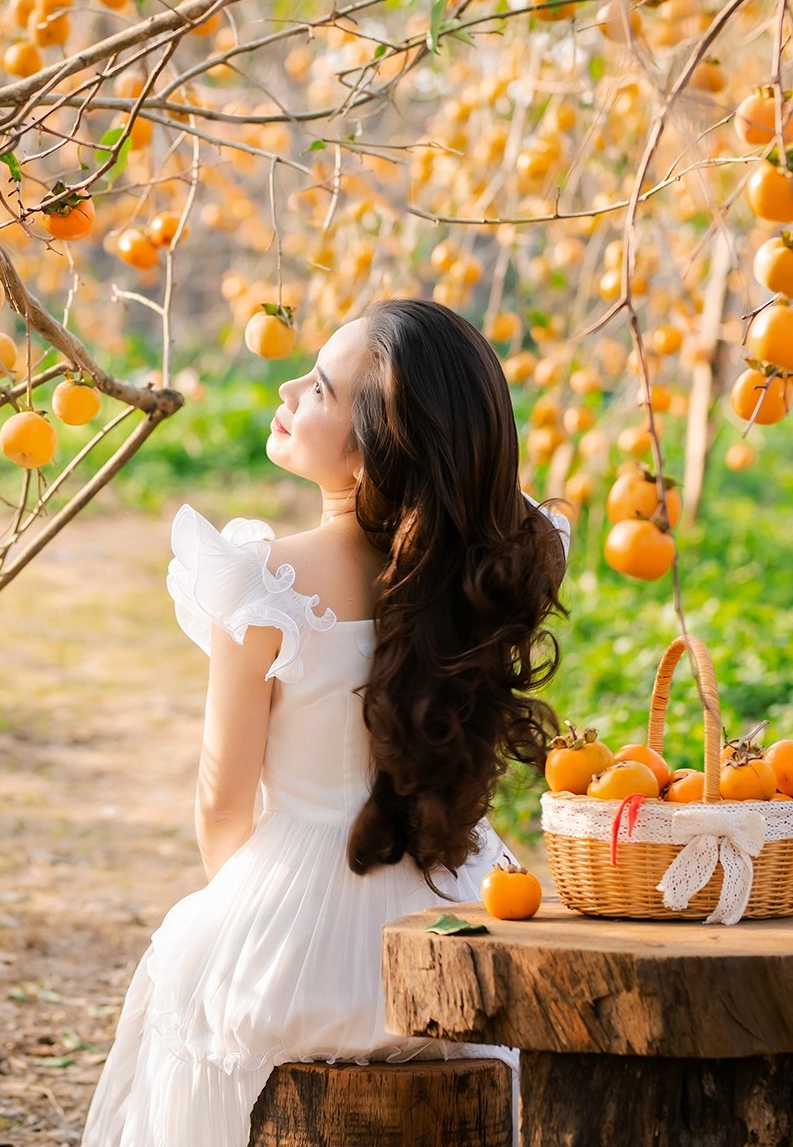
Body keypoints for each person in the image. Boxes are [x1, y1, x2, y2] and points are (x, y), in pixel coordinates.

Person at [83, 298, 571, 1146]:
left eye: (315, 386)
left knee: (200, 997)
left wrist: (255, 914)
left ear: (373, 449)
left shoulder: (267, 582)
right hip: (453, 915)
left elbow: (223, 805)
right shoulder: (484, 569)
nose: (284, 385)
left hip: (296, 920)